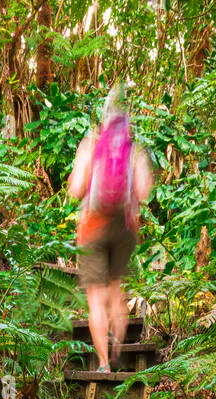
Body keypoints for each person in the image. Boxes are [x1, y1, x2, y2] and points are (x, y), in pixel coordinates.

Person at [67, 84, 153, 372]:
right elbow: (143, 191)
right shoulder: (133, 151)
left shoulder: (92, 143)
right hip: (124, 228)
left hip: (93, 225)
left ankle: (103, 362)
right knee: (116, 291)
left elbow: (75, 188)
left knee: (95, 299)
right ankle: (118, 346)